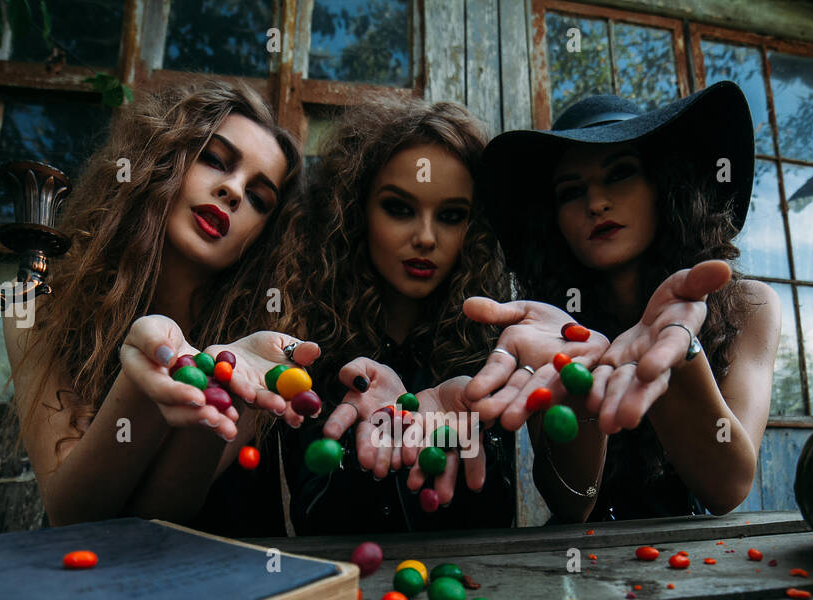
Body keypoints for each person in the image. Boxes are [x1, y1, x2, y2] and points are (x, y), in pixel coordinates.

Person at [3, 79, 320, 536]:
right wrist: (144, 373)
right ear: (161, 160)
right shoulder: (35, 310)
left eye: (258, 198)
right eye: (215, 160)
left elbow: (162, 515)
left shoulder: (262, 341)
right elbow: (74, 515)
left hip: (236, 590)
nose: (232, 190)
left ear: (263, 239)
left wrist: (215, 382)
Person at [468, 81, 781, 521]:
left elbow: (726, 488)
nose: (596, 202)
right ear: (552, 220)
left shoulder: (750, 306)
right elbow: (571, 502)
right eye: (571, 191)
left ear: (662, 184)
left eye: (620, 173)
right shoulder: (548, 330)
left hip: (698, 567)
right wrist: (577, 387)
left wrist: (676, 348)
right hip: (577, 571)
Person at [270, 95, 517, 535]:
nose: (425, 237)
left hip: (486, 594)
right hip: (343, 593)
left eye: (451, 215)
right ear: (355, 209)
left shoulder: (495, 348)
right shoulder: (302, 343)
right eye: (399, 208)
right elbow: (310, 507)